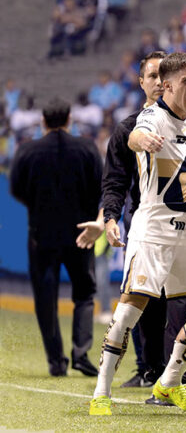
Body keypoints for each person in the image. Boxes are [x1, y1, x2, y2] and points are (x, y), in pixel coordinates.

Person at [89, 52, 186, 416]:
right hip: (153, 231)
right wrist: (143, 141)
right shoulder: (151, 117)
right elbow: (136, 134)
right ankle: (102, 390)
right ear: (166, 86)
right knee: (130, 312)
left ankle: (169, 381)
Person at [10, 97, 103, 378]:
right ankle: (81, 353)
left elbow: (16, 188)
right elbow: (100, 186)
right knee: (84, 293)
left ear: (42, 122)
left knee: (45, 297)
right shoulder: (87, 148)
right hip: (81, 231)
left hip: (42, 234)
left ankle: (55, 360)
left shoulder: (27, 150)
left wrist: (38, 205)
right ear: (69, 120)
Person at [102, 50, 170, 390]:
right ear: (141, 82)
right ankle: (149, 369)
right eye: (152, 76)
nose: (159, 82)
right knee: (143, 296)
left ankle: (172, 372)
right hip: (144, 221)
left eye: (164, 75)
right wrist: (111, 217)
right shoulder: (127, 128)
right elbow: (115, 180)